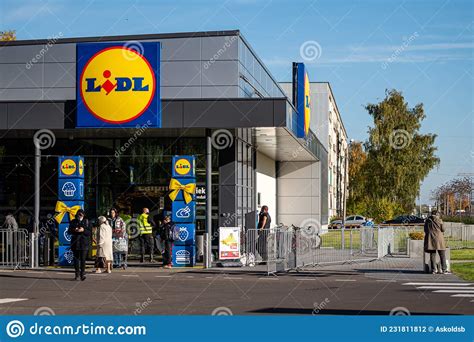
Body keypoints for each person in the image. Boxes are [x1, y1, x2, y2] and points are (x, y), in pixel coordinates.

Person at [424, 209, 450, 274]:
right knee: (442, 255)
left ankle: (434, 270)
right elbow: (443, 229)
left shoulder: (427, 220)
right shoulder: (440, 220)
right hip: (439, 239)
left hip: (431, 239)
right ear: (437, 214)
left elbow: (425, 230)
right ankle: (444, 269)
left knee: (432, 254)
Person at [68, 209, 91, 281]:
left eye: (81, 215)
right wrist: (75, 230)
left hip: (84, 244)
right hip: (75, 243)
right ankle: (77, 274)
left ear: (84, 215)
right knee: (76, 259)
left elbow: (89, 233)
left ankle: (82, 274)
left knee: (83, 259)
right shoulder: (73, 222)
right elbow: (69, 231)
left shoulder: (87, 222)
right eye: (78, 214)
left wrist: (83, 230)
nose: (80, 216)